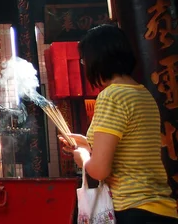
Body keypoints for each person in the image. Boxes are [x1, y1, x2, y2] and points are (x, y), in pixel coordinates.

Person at [60, 24, 178, 224]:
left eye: (84, 60)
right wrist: (88, 144)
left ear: (96, 60)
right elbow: (129, 151)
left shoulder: (112, 95)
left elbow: (99, 170)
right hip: (161, 209)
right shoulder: (142, 93)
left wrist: (82, 157)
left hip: (131, 209)